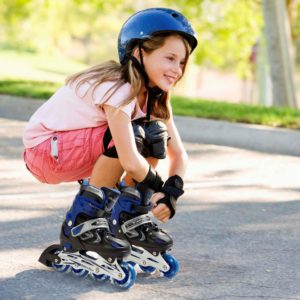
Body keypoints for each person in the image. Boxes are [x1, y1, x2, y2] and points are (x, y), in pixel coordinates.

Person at [23, 8, 197, 288]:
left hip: (74, 151)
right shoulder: (119, 87)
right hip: (46, 153)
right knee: (134, 135)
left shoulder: (156, 97)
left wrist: (171, 192)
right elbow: (129, 159)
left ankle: (129, 217)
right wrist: (154, 185)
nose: (177, 70)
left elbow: (178, 152)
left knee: (154, 133)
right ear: (139, 53)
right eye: (170, 58)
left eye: (182, 62)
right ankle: (81, 225)